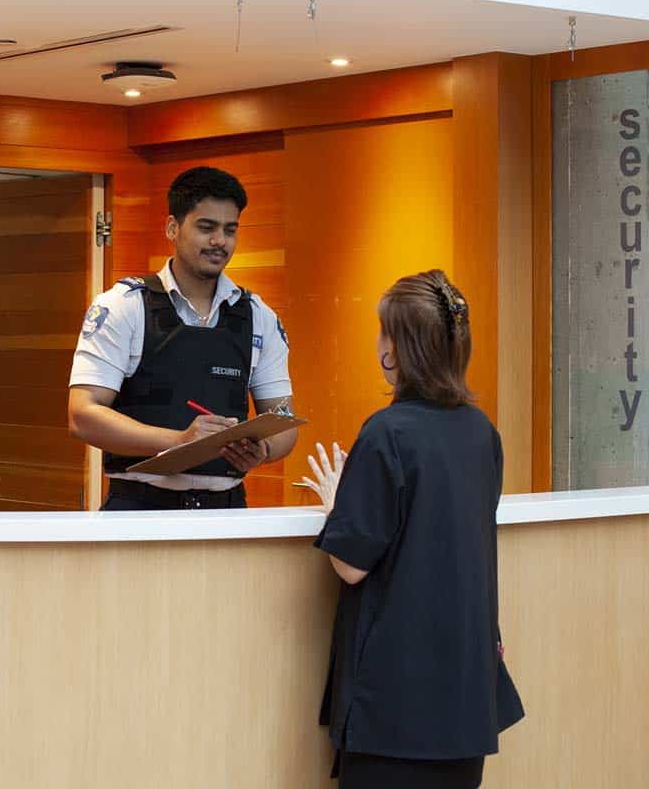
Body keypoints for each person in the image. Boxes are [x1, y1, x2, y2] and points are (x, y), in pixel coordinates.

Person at [302, 269, 524, 788]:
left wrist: (338, 503)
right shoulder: (481, 433)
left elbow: (351, 565)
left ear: (397, 348)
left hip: (397, 700)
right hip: (467, 697)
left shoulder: (386, 434)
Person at [68, 165, 297, 510]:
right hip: (138, 510)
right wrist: (179, 441)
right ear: (172, 227)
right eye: (206, 227)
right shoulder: (124, 307)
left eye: (229, 230)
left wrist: (263, 451)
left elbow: (282, 420)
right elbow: (82, 414)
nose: (219, 241)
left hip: (227, 511)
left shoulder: (259, 317)